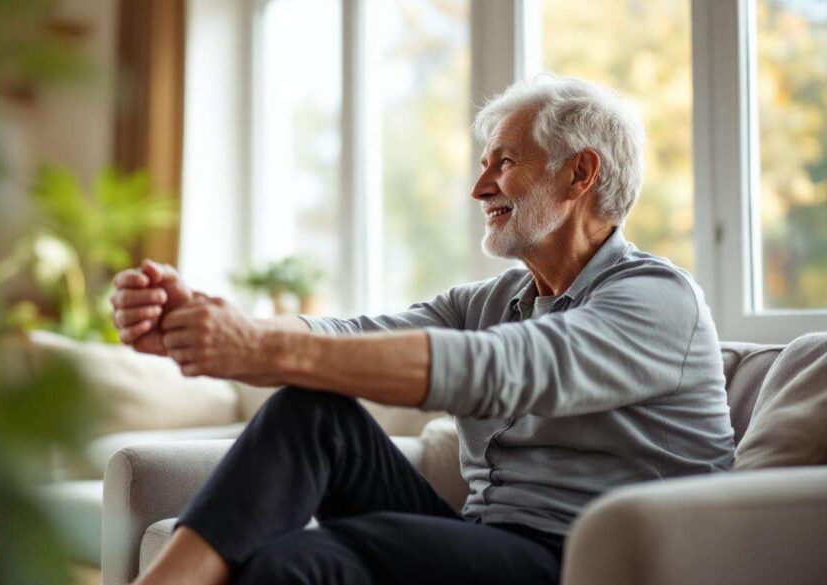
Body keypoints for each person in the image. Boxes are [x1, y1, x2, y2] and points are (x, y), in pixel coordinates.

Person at [109, 76, 735, 585]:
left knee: (300, 564)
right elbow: (348, 334)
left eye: (505, 162)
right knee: (312, 415)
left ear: (580, 175)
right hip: (486, 542)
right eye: (483, 164)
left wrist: (252, 344)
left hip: (587, 561)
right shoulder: (491, 301)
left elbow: (500, 370)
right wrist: (205, 326)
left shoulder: (657, 300)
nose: (478, 187)